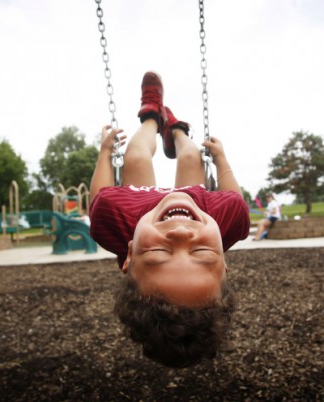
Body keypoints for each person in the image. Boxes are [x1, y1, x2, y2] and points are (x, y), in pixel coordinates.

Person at [89, 71, 250, 368]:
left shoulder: (114, 218)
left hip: (141, 211)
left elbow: (99, 195)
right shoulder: (226, 220)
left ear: (128, 258)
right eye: (201, 252)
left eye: (158, 252)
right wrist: (221, 160)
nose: (179, 234)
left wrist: (105, 152)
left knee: (135, 156)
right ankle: (176, 131)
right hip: (197, 205)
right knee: (191, 156)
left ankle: (151, 116)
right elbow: (236, 198)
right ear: (224, 259)